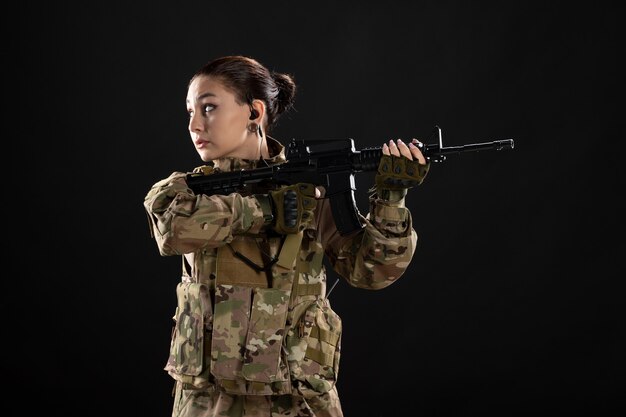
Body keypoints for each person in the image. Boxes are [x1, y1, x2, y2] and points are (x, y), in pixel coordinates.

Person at [143, 55, 430, 417]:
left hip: (296, 400)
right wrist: (269, 209)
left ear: (254, 112)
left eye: (209, 108)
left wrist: (390, 198)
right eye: (190, 112)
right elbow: (172, 230)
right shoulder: (185, 192)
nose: (194, 124)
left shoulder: (310, 189)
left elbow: (371, 271)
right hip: (208, 401)